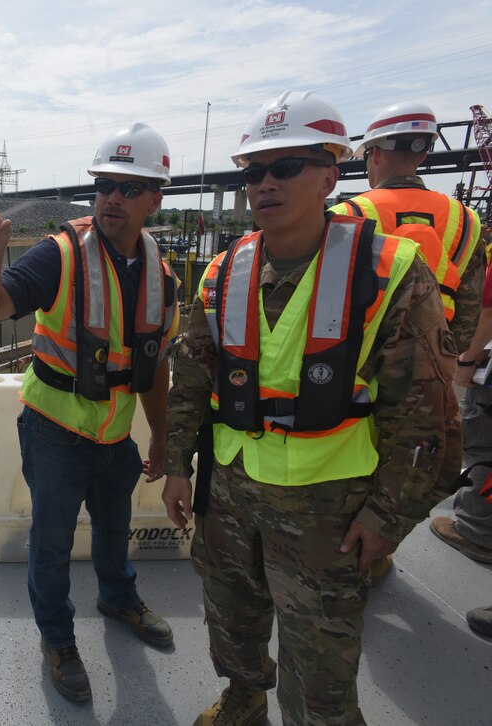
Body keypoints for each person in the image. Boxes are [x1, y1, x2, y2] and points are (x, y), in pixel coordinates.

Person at [161, 91, 459, 725]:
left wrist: (388, 517)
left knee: (320, 672)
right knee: (232, 622)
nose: (265, 183)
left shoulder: (390, 272)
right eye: (253, 172)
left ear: (331, 172)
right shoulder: (221, 272)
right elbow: (189, 375)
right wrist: (178, 466)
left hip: (329, 507)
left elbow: (425, 416)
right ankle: (244, 700)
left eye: (286, 166)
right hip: (230, 493)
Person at [0, 122, 181, 703]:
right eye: (103, 185)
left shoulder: (163, 277)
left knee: (115, 529)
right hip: (54, 435)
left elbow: (151, 369)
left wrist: (163, 443)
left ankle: (118, 597)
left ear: (156, 197)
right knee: (50, 544)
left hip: (117, 439)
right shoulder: (59, 256)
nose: (111, 198)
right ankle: (57, 639)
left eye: (129, 188)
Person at [329, 101, 486, 582]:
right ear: (422, 153)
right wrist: (445, 358)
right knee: (413, 462)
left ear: (371, 154)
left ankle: (349, 555)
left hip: (359, 370)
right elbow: (473, 307)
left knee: (354, 464)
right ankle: (380, 550)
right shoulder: (467, 221)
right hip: (433, 370)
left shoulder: (348, 214)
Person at [438, 239, 492, 639]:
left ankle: (475, 529)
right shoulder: (464, 225)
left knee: (483, 451)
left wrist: (467, 362)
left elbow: (485, 312)